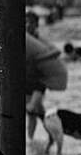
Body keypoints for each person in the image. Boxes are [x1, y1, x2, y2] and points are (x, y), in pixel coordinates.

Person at [25, 12, 67, 144]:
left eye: (30, 22)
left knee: (32, 112)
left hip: (39, 81)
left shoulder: (39, 40)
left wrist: (41, 57)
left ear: (36, 25)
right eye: (25, 22)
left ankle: (31, 140)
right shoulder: (21, 38)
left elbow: (56, 52)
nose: (27, 25)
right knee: (37, 111)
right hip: (26, 79)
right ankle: (52, 135)